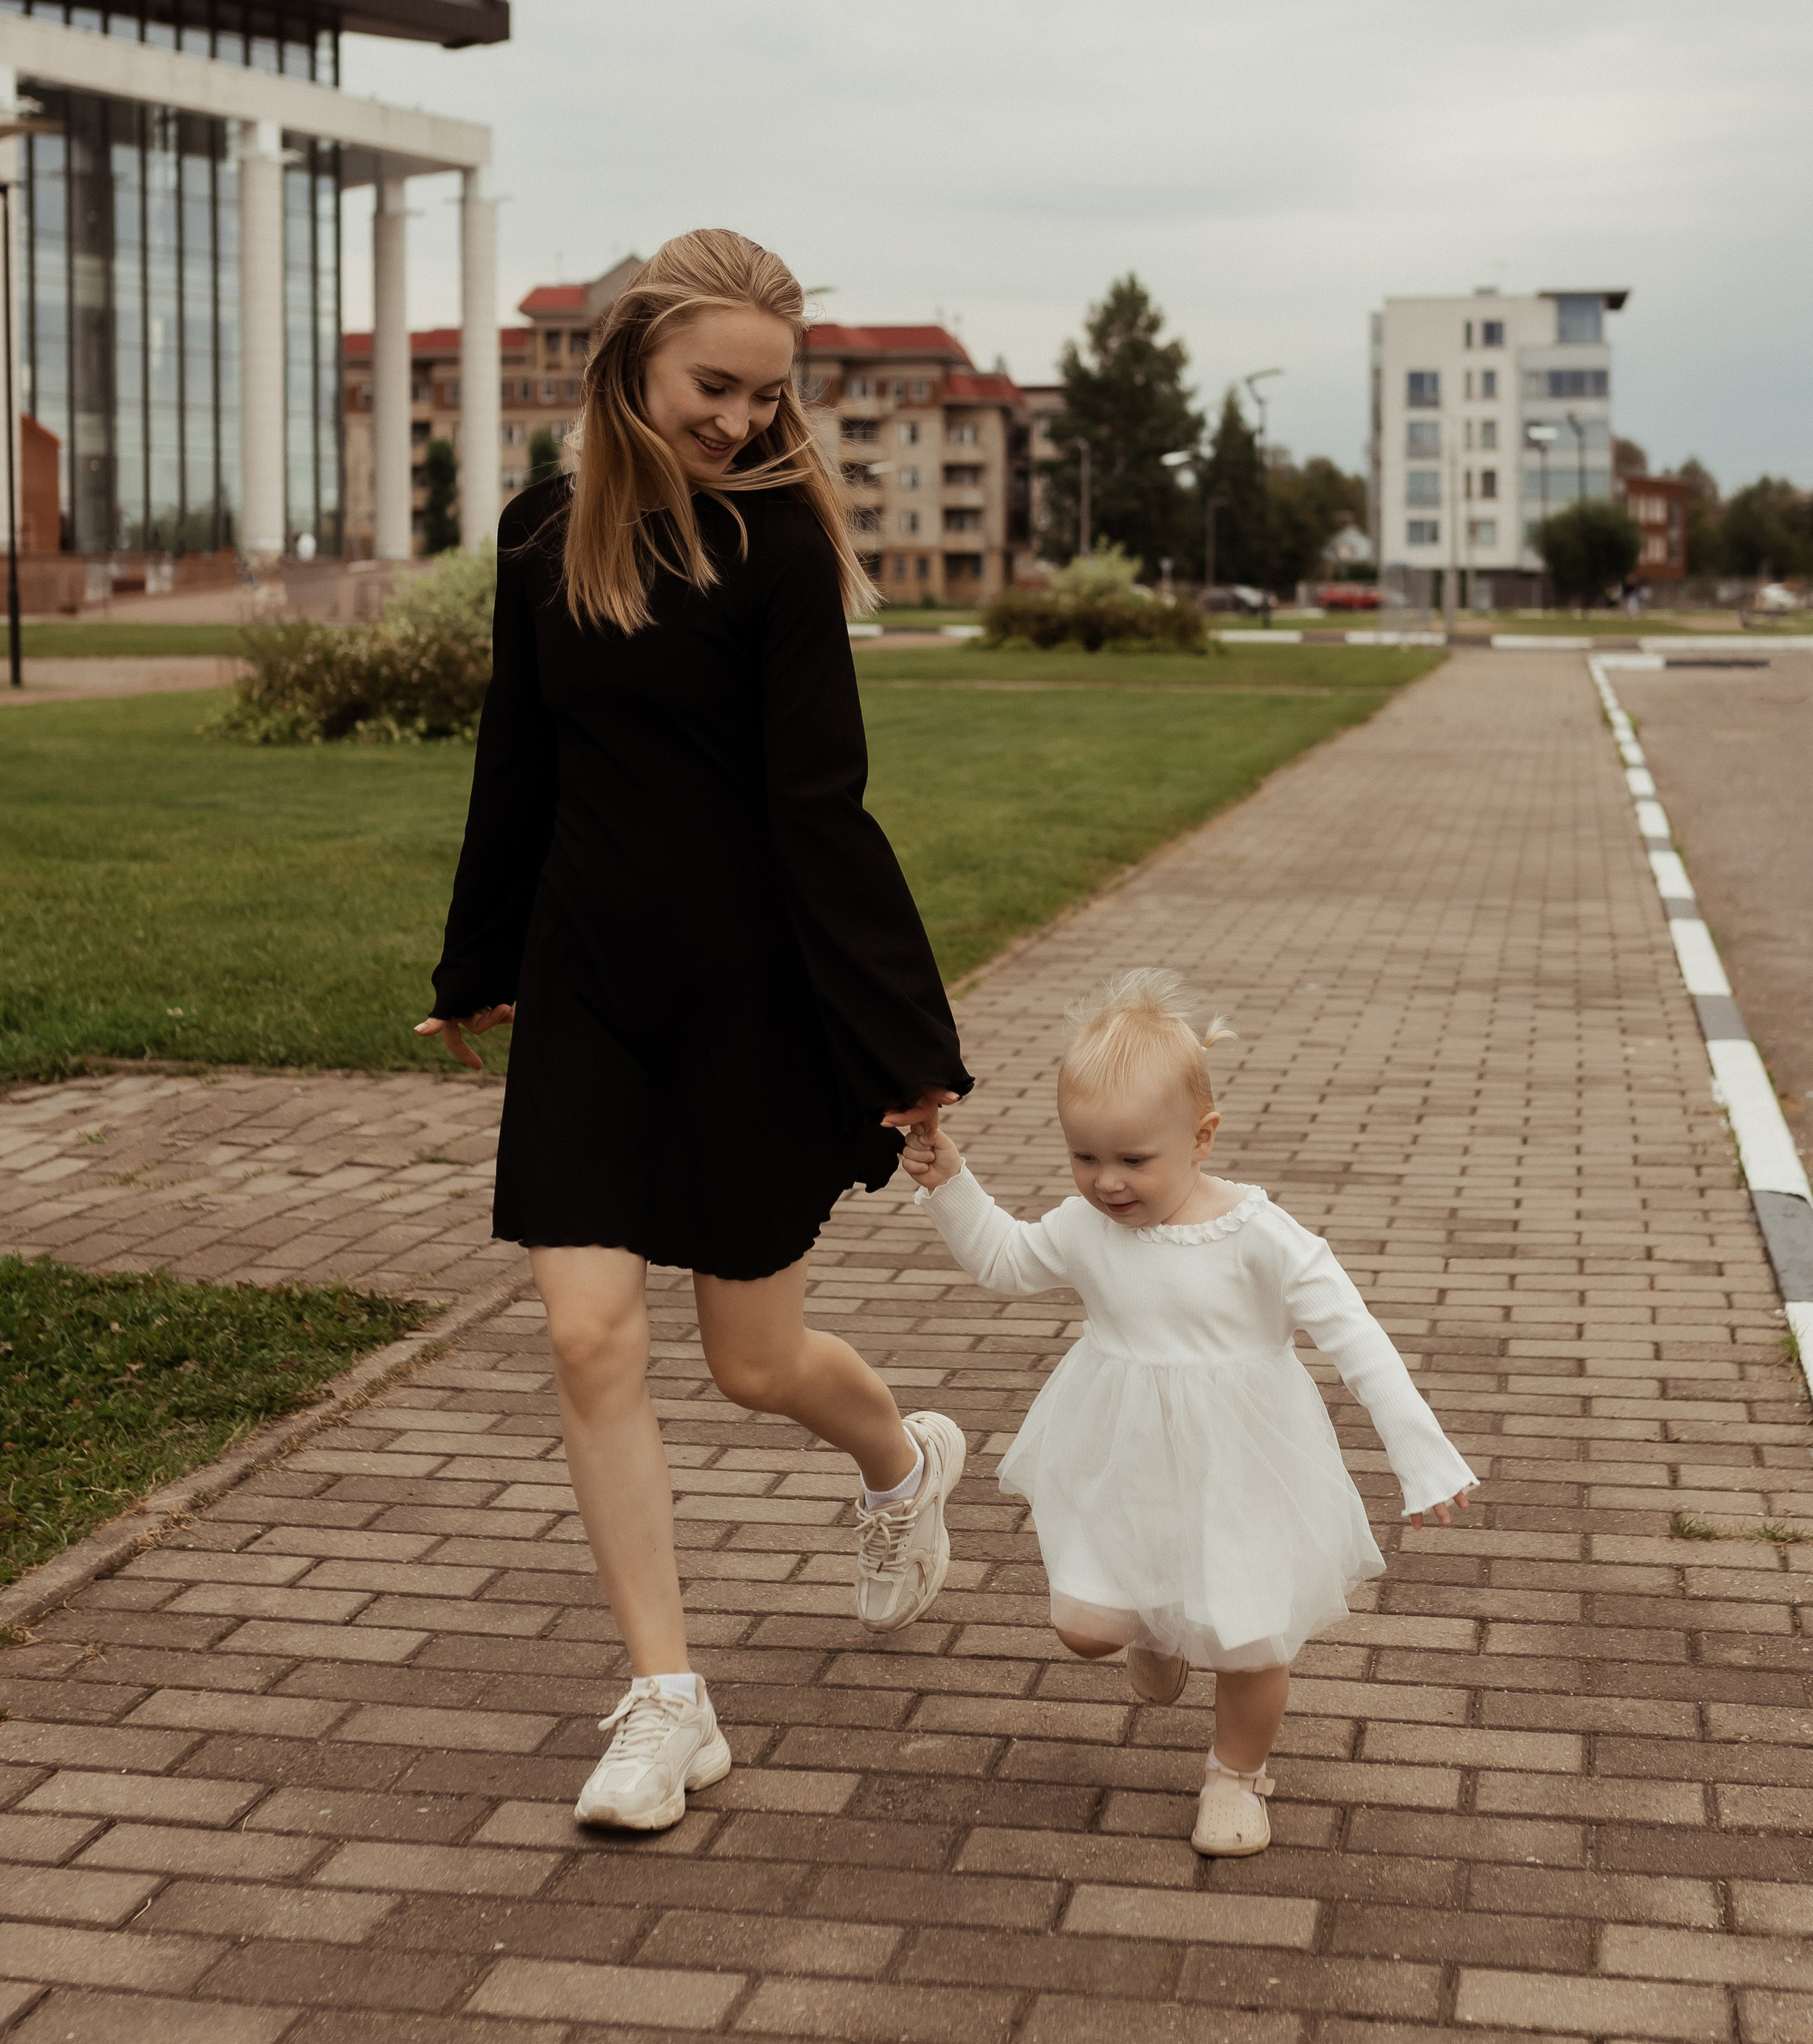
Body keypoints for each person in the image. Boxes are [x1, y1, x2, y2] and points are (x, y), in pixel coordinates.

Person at [416, 229, 972, 1834]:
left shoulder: (778, 550)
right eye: (708, 387)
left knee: (752, 1364)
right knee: (588, 1335)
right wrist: (473, 966)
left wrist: (901, 1044)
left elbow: (819, 809)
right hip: (587, 985)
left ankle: (900, 1464)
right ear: (629, 366)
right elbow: (513, 765)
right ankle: (667, 1701)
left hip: (748, 1004)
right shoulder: (541, 533)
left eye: (760, 395)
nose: (734, 420)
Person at [900, 970, 1475, 1856]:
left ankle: (1235, 1777)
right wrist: (951, 1181)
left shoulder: (1260, 1235)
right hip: (1121, 1445)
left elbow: (1356, 1340)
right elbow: (1006, 1261)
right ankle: (1153, 1629)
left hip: (1243, 1457)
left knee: (1247, 1637)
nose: (1106, 1184)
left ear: (1201, 1138)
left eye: (1134, 1161)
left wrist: (1421, 1454)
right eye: (1085, 1157)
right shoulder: (1086, 1225)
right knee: (1084, 1629)